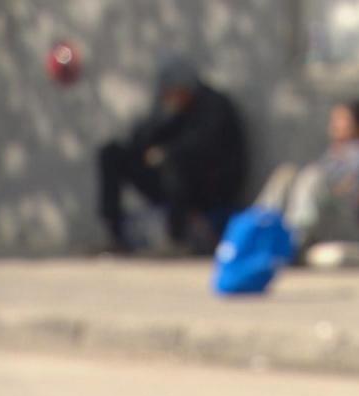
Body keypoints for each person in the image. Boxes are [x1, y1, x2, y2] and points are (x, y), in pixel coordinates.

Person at [97, 56, 247, 254]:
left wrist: (167, 153)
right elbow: (140, 142)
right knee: (111, 154)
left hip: (210, 187)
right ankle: (115, 233)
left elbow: (205, 147)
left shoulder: (214, 106)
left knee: (174, 161)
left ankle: (177, 239)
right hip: (172, 184)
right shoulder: (174, 109)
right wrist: (161, 118)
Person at [278, 100, 359, 263]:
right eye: (334, 120)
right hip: (329, 221)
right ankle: (253, 231)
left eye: (342, 120)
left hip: (358, 232)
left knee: (313, 178)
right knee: (286, 176)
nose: (335, 127)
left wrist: (335, 188)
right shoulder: (335, 155)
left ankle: (291, 243)